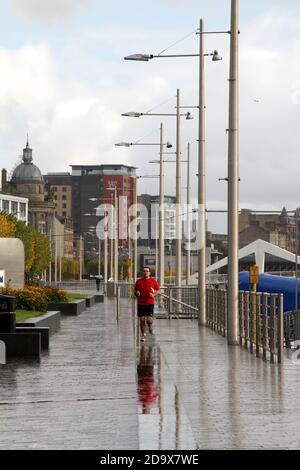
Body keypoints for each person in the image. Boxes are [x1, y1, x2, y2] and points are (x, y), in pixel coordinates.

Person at [134, 266, 160, 342]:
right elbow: (135, 291)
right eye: (144, 271)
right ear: (143, 272)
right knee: (142, 320)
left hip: (150, 303)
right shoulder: (139, 281)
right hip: (141, 303)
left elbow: (158, 290)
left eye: (147, 271)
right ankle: (143, 334)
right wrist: (136, 293)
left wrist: (154, 294)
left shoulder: (153, 281)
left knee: (149, 320)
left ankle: (150, 325)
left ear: (149, 273)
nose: (145, 272)